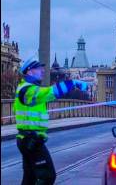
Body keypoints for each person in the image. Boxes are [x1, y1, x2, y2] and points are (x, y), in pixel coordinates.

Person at [13, 57, 88, 185]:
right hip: (31, 140)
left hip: (28, 139)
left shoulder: (27, 88)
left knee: (30, 178)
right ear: (29, 71)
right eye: (39, 68)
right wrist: (72, 83)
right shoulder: (27, 90)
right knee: (47, 176)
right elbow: (50, 92)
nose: (42, 71)